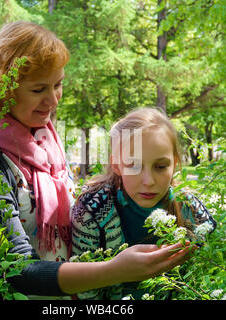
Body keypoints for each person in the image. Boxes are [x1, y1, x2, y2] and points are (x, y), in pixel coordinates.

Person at [0, 21, 196, 299]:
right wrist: (115, 270)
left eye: (58, 84)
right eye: (39, 90)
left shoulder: (46, 141)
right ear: (5, 87)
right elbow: (11, 270)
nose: (52, 100)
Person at [71, 107, 217, 299]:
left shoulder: (190, 208)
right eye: (134, 166)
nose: (148, 181)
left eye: (160, 166)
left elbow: (210, 277)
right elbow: (85, 290)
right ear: (117, 165)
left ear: (174, 164)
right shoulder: (92, 211)